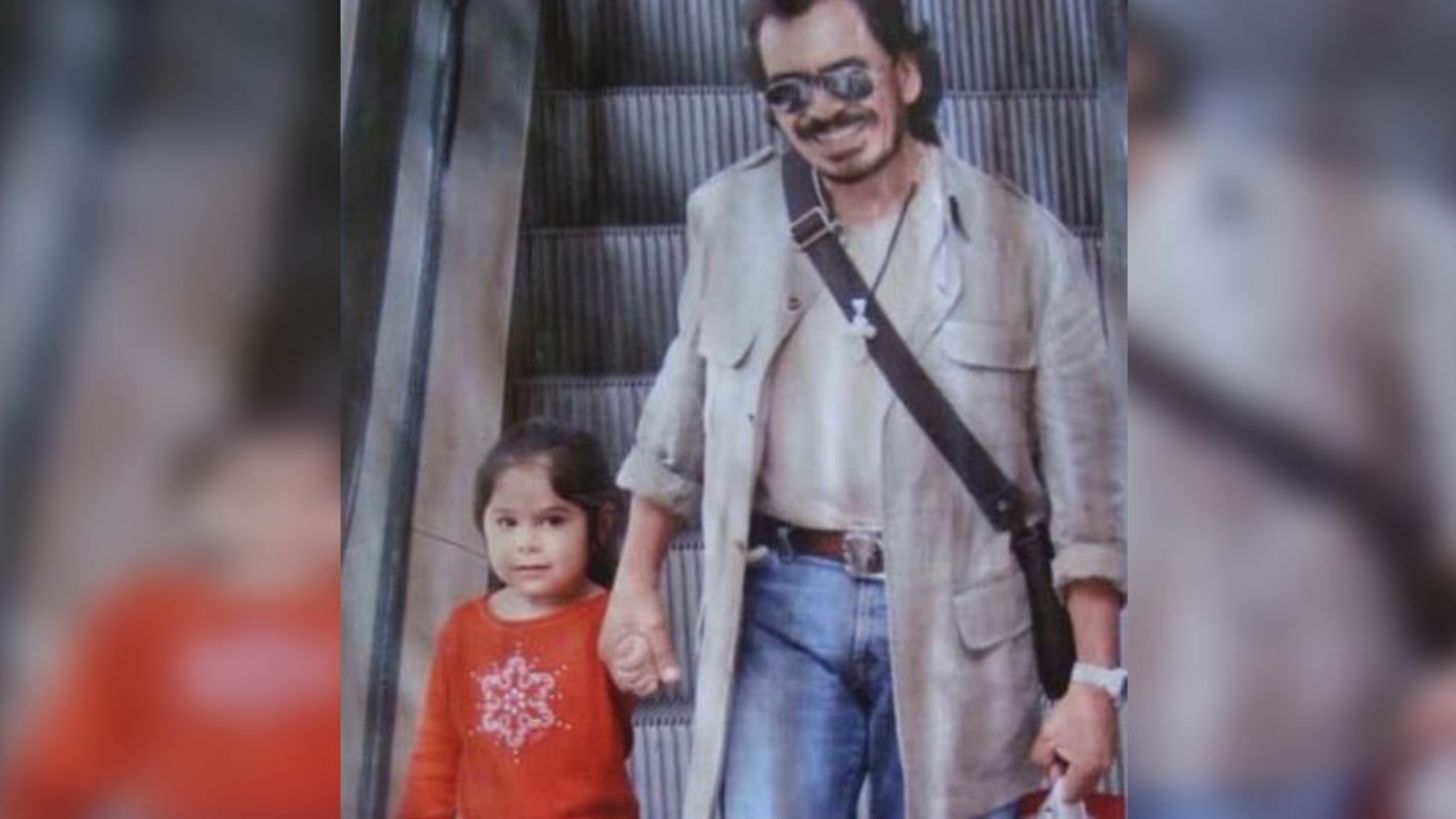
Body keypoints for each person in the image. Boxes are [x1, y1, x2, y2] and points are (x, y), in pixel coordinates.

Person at [596, 0, 1126, 817]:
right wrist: (634, 582)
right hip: (783, 608)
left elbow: (1089, 494)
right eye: (789, 92)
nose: (822, 110)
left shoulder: (1025, 241)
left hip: (963, 619)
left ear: (905, 75)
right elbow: (676, 420)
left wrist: (1094, 679)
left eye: (848, 79)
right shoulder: (728, 218)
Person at [0, 407, 342, 819]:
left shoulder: (352, 622)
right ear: (201, 505)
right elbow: (65, 759)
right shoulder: (148, 614)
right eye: (253, 494)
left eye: (314, 495)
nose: (282, 519)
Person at [396, 419, 638, 819]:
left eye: (552, 521)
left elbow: (634, 693)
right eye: (507, 523)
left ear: (602, 522)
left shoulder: (612, 617)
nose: (525, 543)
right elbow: (436, 753)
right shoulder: (462, 629)